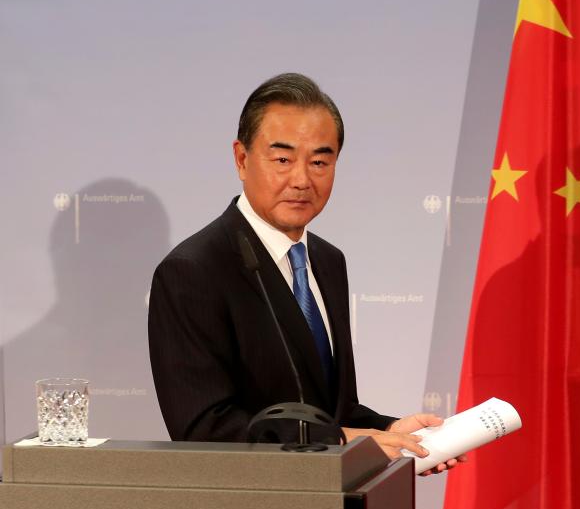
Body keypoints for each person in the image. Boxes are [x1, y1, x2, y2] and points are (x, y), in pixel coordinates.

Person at [148, 73, 453, 468]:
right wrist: (340, 440)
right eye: (282, 159)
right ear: (242, 159)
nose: (302, 179)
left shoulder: (327, 261)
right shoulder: (193, 271)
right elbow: (204, 428)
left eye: (320, 161)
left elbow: (331, 408)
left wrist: (394, 431)